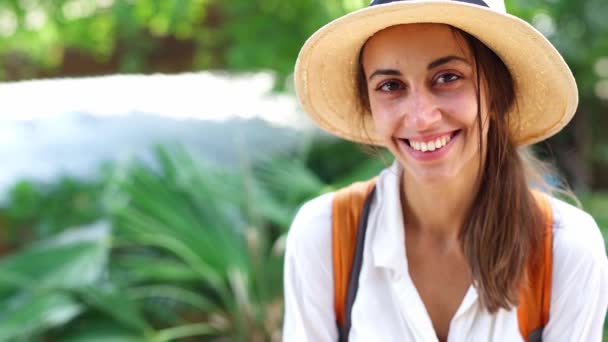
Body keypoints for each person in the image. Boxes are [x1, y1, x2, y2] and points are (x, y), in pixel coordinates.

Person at [282, 0, 608, 341]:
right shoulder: (327, 236)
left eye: (448, 77)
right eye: (391, 86)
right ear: (369, 104)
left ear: (498, 92)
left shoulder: (564, 249)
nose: (421, 117)